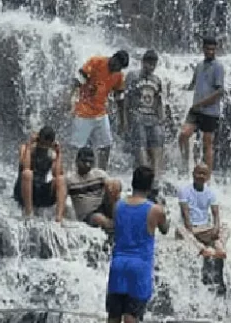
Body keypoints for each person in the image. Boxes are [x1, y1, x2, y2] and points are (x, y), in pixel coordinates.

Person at [104, 166, 169, 323]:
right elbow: (165, 229)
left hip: (118, 264)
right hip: (139, 267)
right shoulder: (155, 210)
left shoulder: (118, 206)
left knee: (113, 319)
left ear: (132, 182)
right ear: (150, 186)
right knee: (130, 320)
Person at [70, 50, 129, 171]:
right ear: (113, 58)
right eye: (117, 66)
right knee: (77, 146)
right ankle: (73, 171)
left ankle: (102, 172)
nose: (117, 70)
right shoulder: (96, 62)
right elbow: (77, 82)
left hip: (101, 113)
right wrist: (70, 99)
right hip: (83, 111)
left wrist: (123, 120)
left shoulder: (118, 75)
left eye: (120, 69)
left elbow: (120, 99)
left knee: (106, 145)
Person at [179, 36, 225, 173]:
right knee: (183, 135)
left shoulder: (218, 67)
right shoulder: (199, 66)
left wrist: (201, 104)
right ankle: (185, 166)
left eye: (213, 49)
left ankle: (207, 176)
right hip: (196, 110)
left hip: (210, 111)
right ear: (203, 48)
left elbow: (219, 92)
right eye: (208, 49)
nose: (210, 52)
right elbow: (192, 85)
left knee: (207, 144)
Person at [129, 49, 165, 198]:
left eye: (153, 64)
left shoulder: (157, 80)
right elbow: (127, 99)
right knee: (141, 148)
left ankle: (155, 180)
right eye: (148, 63)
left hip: (153, 118)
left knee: (156, 148)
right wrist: (127, 119)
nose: (151, 67)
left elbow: (159, 101)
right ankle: (145, 181)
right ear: (143, 62)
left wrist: (161, 118)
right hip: (138, 117)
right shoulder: (133, 77)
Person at [13, 126, 67, 222]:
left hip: (40, 192)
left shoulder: (51, 153)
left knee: (61, 179)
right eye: (42, 143)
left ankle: (59, 218)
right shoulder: (25, 148)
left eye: (46, 145)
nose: (43, 147)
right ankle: (29, 213)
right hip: (23, 191)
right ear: (38, 139)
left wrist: (59, 154)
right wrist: (29, 147)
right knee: (27, 173)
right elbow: (25, 166)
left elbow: (57, 173)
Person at [176, 162, 227, 259]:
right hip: (191, 229)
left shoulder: (210, 192)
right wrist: (191, 230)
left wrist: (215, 229)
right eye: (199, 173)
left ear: (208, 177)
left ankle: (219, 247)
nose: (201, 176)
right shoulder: (184, 191)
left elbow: (216, 215)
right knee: (180, 229)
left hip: (204, 229)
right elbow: (185, 215)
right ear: (193, 174)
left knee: (226, 226)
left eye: (204, 174)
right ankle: (202, 249)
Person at [66, 147, 122, 231]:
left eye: (90, 162)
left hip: (105, 207)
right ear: (77, 161)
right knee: (99, 218)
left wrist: (114, 186)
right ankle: (115, 227)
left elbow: (115, 188)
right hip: (88, 215)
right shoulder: (70, 179)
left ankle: (119, 220)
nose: (87, 165)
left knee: (115, 183)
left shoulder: (99, 174)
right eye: (84, 161)